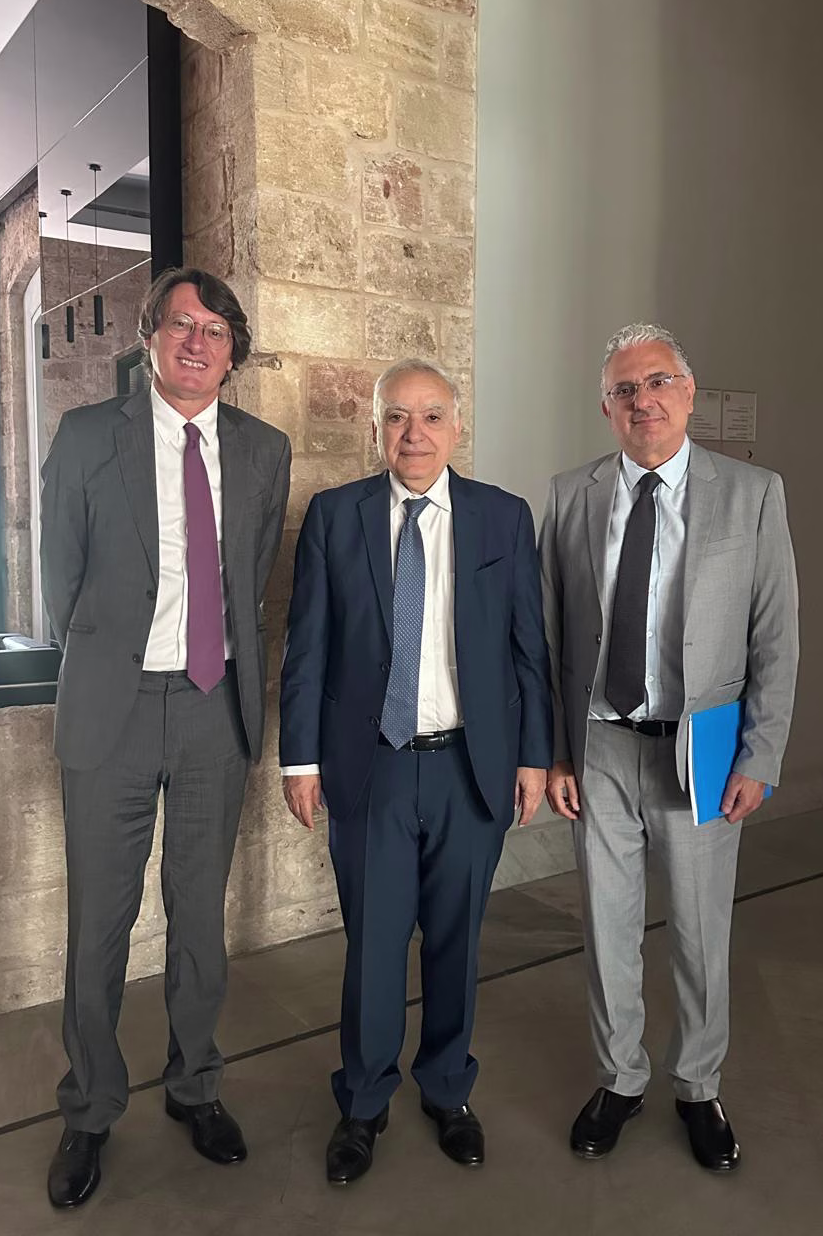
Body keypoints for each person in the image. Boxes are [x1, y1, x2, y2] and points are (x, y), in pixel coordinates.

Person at [40, 267, 290, 1207]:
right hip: (112, 706)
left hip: (212, 707)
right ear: (148, 336)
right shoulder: (87, 435)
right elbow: (60, 576)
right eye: (181, 324)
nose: (197, 341)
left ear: (233, 353)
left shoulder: (264, 450)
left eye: (216, 330)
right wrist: (111, 657)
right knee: (99, 923)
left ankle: (195, 1087)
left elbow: (249, 577)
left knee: (200, 918)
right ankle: (90, 1110)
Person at [280, 359, 552, 1184]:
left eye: (432, 415)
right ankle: (363, 1103)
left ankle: (446, 1090)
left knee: (457, 941)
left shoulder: (503, 517)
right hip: (374, 768)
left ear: (456, 426)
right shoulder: (335, 516)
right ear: (375, 428)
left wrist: (534, 754)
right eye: (397, 416)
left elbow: (529, 648)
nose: (414, 433)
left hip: (471, 766)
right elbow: (306, 645)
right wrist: (300, 758)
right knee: (373, 943)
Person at [539, 323, 798, 1172]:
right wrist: (557, 751)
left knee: (698, 932)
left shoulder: (752, 494)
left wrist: (759, 755)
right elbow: (550, 638)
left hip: (702, 751)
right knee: (607, 928)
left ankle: (698, 1085)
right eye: (624, 390)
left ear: (687, 393)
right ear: (606, 408)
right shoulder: (570, 496)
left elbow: (775, 637)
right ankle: (619, 1078)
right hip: (601, 748)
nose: (642, 400)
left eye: (657, 383)